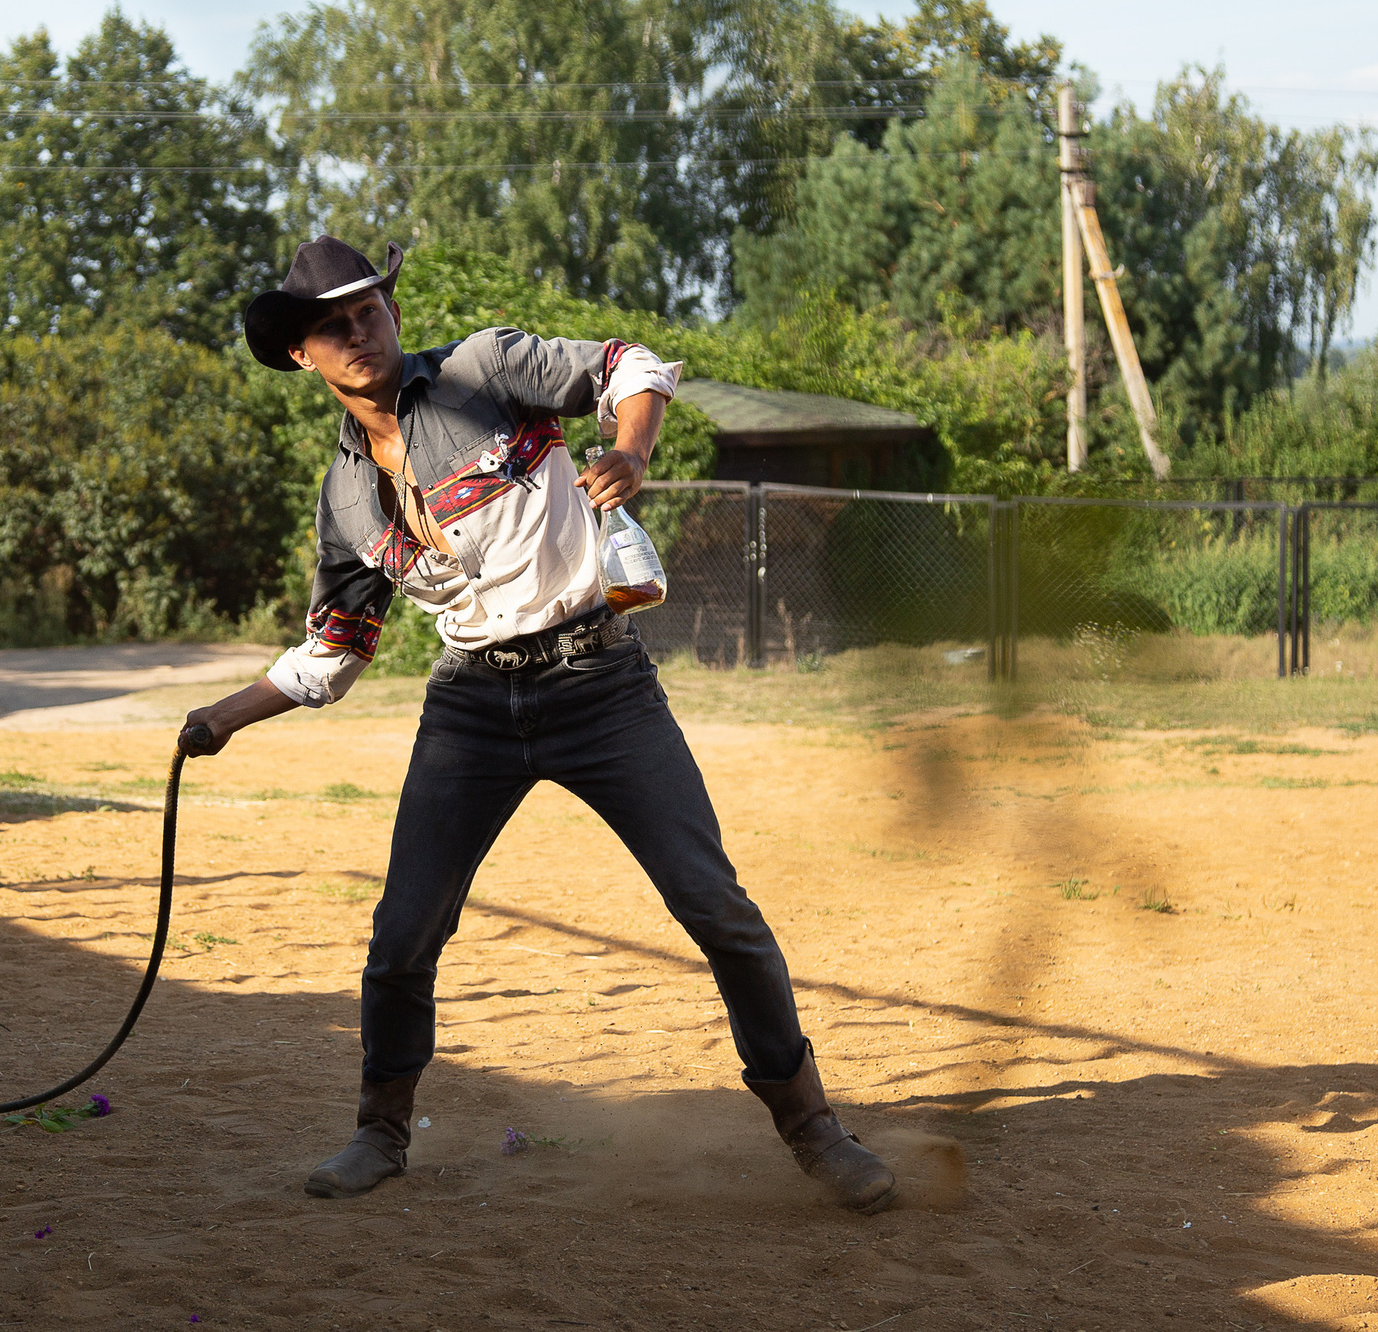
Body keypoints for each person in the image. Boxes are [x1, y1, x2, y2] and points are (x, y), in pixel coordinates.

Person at [180, 236, 896, 1213]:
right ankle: (379, 1133)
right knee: (401, 935)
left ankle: (813, 1128)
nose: (356, 330)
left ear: (390, 307)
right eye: (328, 325)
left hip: (599, 681)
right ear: (301, 355)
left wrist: (632, 450)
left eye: (366, 308)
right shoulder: (346, 497)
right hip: (471, 703)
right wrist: (221, 718)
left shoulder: (483, 371)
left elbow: (627, 367)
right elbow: (335, 651)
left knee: (712, 904)